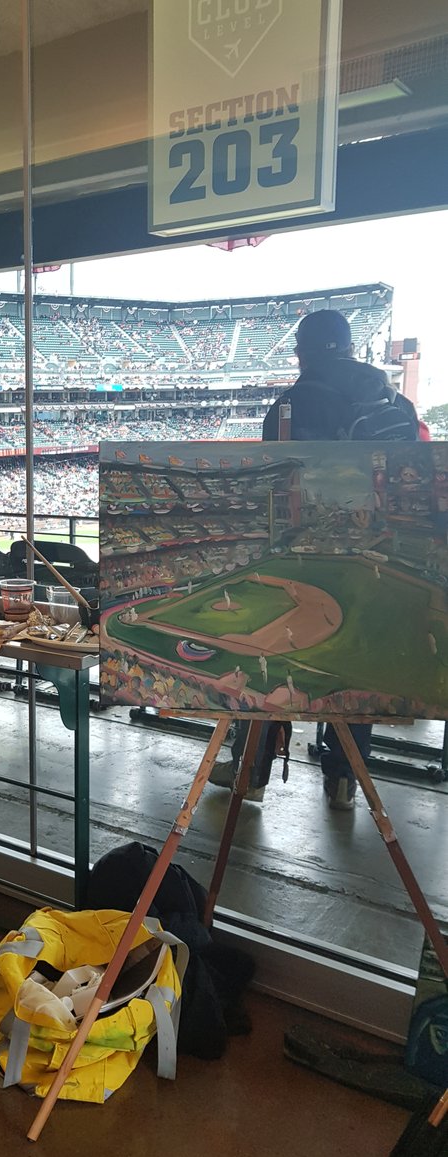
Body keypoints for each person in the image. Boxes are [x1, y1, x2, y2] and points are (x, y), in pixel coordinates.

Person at [220, 309, 420, 810]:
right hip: (383, 553)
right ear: (351, 348)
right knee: (358, 664)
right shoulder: (395, 401)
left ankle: (254, 769)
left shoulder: (296, 402)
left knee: (271, 661)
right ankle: (344, 775)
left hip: (306, 552)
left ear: (301, 352)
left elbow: (273, 484)